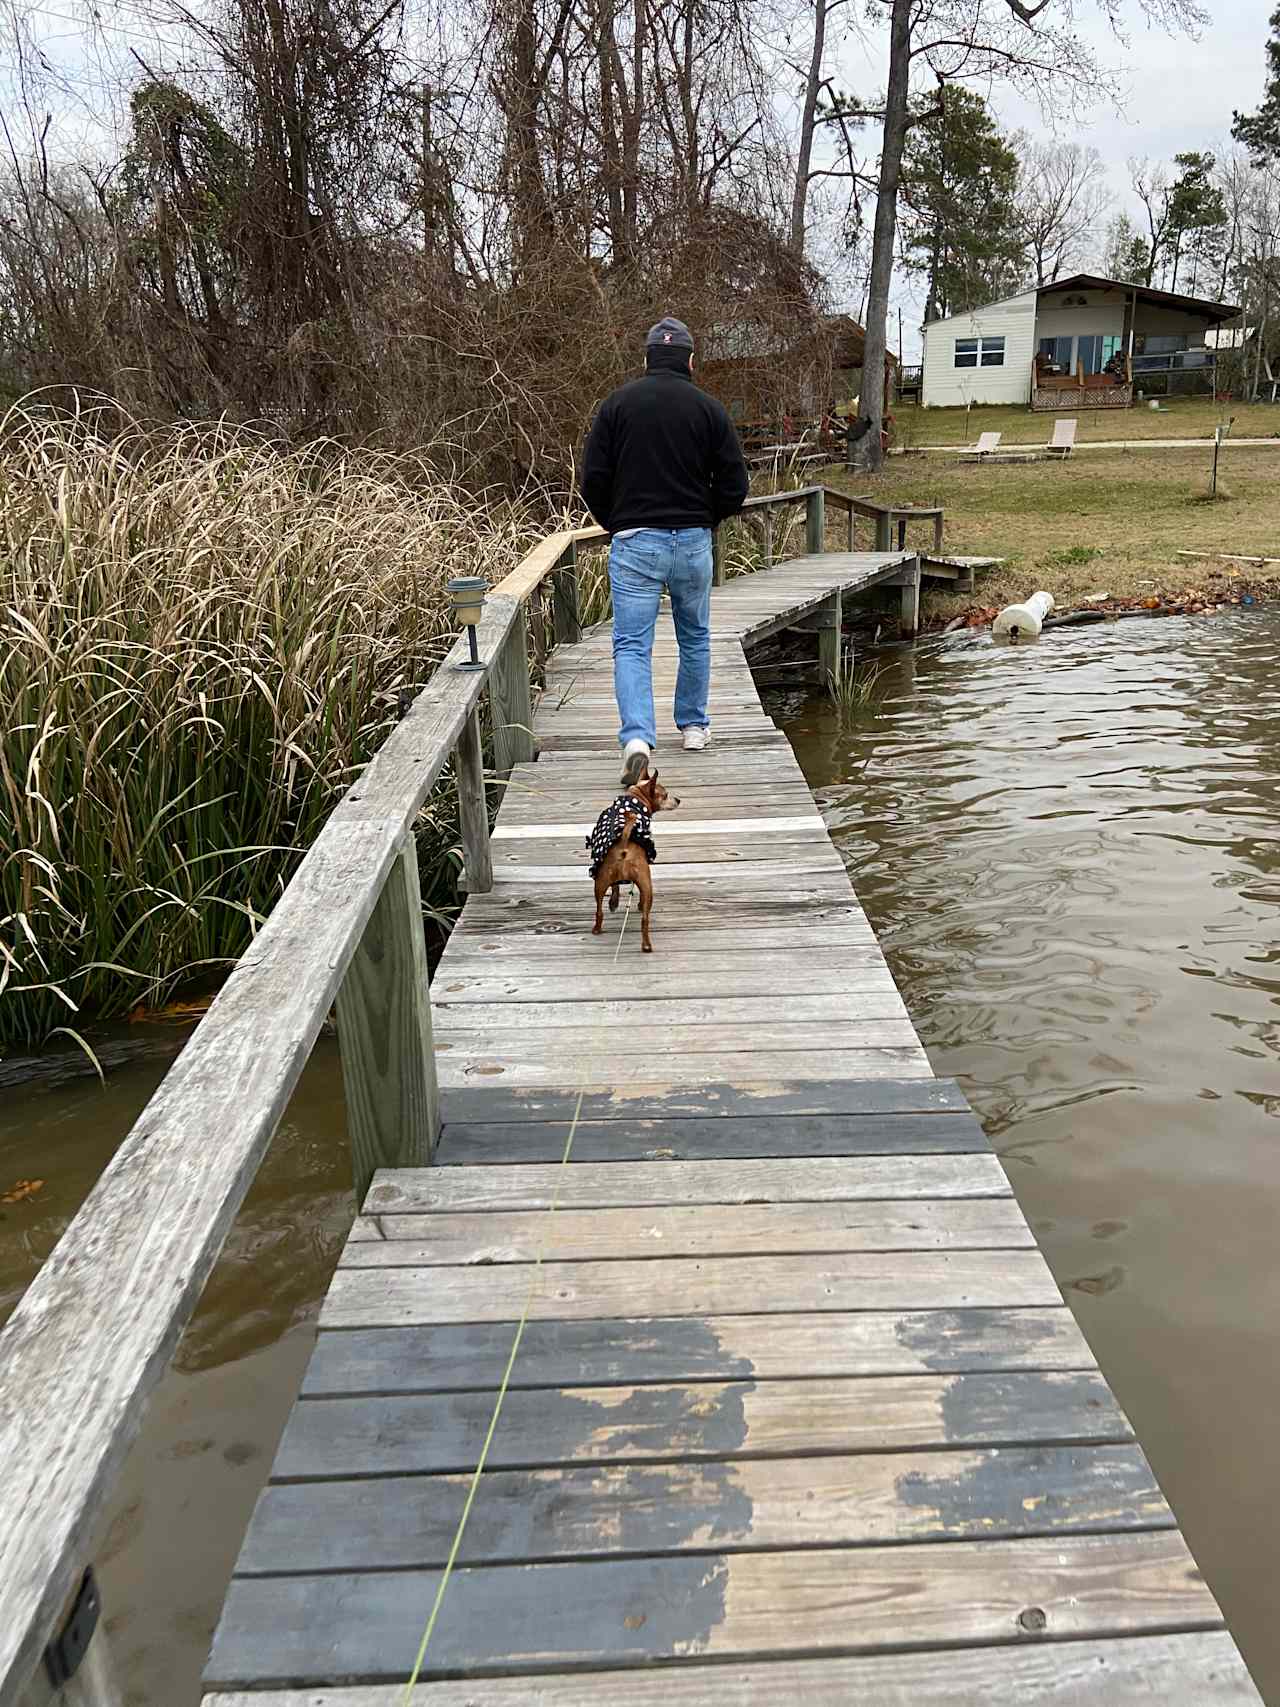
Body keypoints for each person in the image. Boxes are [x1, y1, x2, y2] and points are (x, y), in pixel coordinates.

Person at [581, 316, 749, 784]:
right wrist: (707, 517)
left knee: (633, 644)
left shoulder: (617, 406)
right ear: (691, 361)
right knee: (694, 635)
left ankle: (637, 737)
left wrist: (616, 522)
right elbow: (735, 484)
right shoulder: (710, 410)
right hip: (692, 540)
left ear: (647, 359)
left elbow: (592, 477)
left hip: (635, 541)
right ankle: (694, 726)